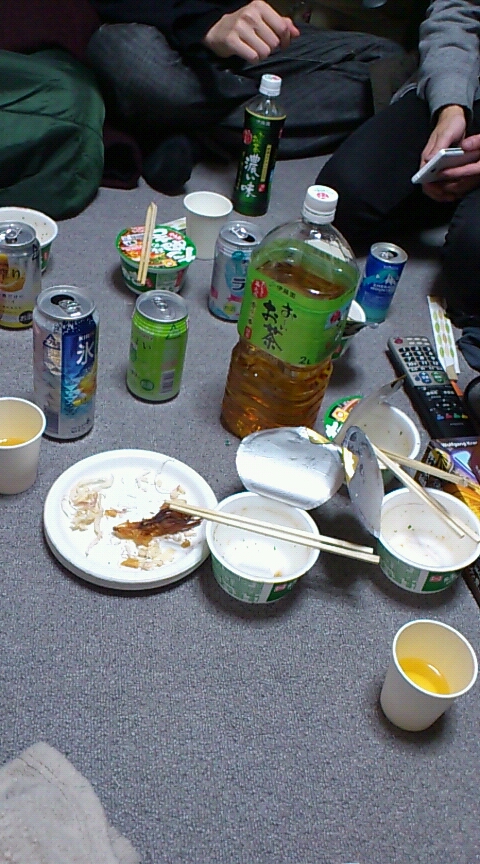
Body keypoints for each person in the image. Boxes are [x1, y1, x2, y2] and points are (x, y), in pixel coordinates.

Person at [86, 0, 407, 193]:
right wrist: (203, 25)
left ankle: (192, 131)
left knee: (387, 62)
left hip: (238, 38)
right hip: (149, 27)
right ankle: (249, 114)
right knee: (131, 60)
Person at [316, 0, 480, 358]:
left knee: (470, 268)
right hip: (471, 82)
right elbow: (457, 12)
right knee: (340, 200)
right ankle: (452, 187)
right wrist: (450, 104)